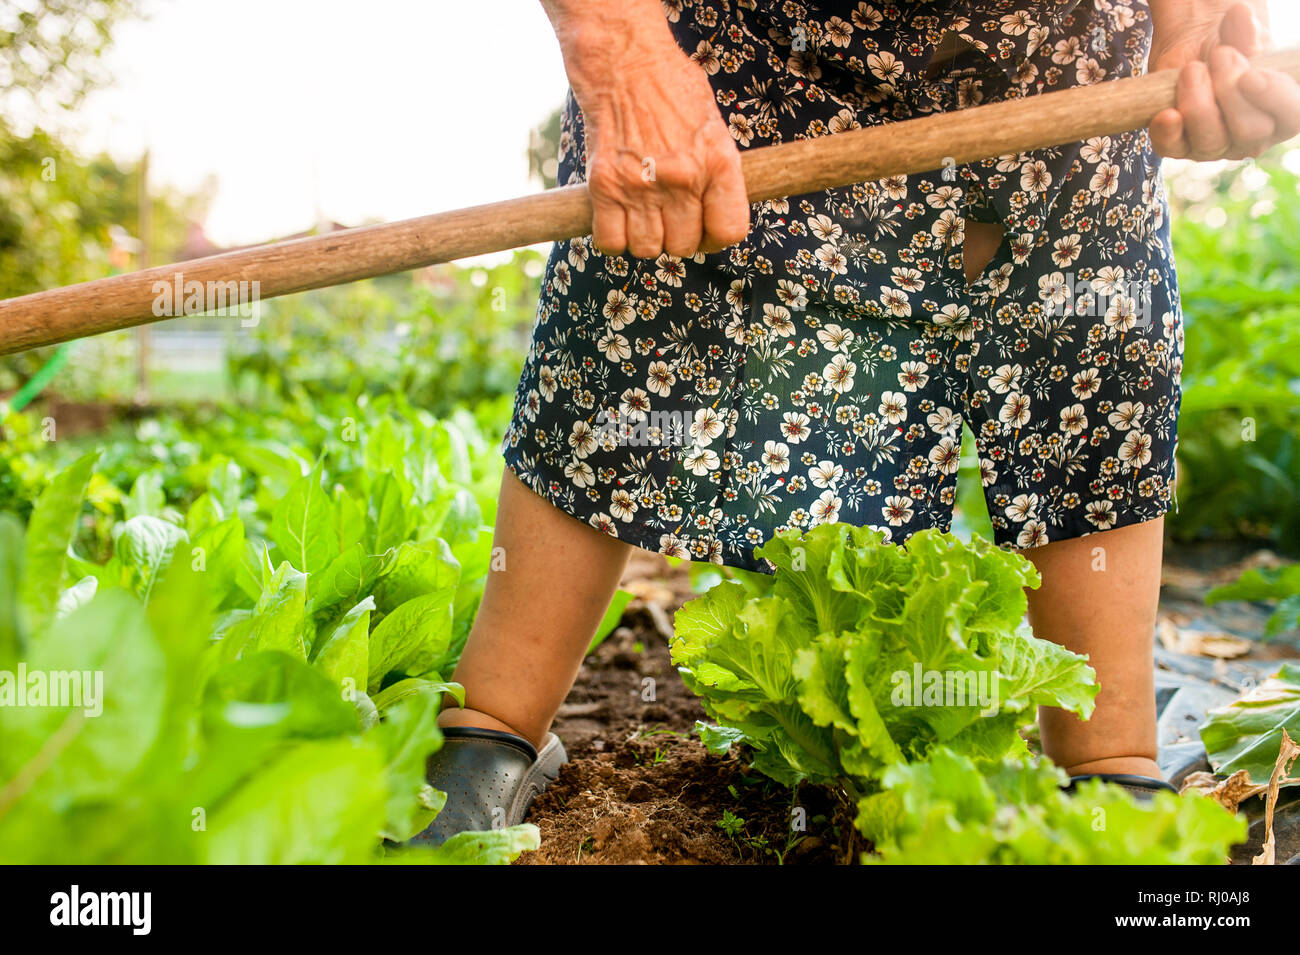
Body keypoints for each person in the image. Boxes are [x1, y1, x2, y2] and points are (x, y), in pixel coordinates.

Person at [411, 0, 1300, 844]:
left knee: (1082, 335)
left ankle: (1113, 760)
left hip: (1052, 54)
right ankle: (493, 722)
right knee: (648, 289)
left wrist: (1195, 23)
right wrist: (622, 57)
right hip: (747, 47)